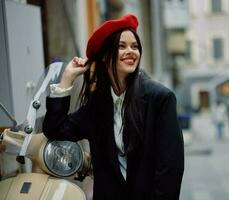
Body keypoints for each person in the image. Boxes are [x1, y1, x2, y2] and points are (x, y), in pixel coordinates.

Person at [43, 14, 184, 200]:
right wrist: (66, 81)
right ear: (104, 56)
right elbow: (56, 129)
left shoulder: (160, 99)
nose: (131, 51)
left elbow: (170, 169)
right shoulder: (97, 105)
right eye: (121, 46)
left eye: (135, 46)